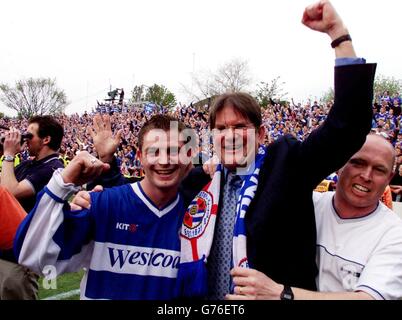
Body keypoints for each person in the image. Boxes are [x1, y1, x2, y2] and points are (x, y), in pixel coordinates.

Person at [70, 0, 377, 299]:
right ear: (211, 135)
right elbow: (144, 200)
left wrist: (339, 34)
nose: (230, 136)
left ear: (260, 133)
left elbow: (347, 126)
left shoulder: (286, 164)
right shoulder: (200, 179)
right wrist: (105, 168)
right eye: (221, 128)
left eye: (240, 127)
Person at [14, 115, 195, 300]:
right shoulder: (102, 204)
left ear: (188, 156)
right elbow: (32, 258)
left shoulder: (198, 220)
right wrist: (60, 185)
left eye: (173, 150)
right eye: (154, 151)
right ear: (140, 156)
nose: (164, 160)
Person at [226, 134, 402, 300]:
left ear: (389, 178)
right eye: (358, 163)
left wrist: (282, 294)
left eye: (379, 169)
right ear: (339, 164)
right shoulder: (306, 205)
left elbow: (368, 298)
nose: (366, 176)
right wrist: (220, 166)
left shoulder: (394, 234)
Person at [0, 115, 64, 213]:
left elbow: (9, 192)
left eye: (29, 136)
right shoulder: (27, 164)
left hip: (28, 226)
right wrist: (2, 150)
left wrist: (9, 153)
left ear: (46, 139)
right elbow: (2, 181)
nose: (25, 139)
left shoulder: (53, 169)